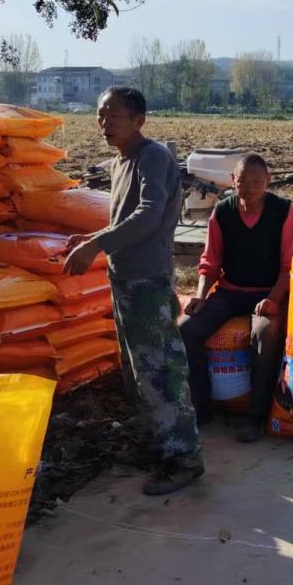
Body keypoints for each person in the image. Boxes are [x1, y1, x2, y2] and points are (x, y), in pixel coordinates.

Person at [63, 86, 204, 495]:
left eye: (114, 115)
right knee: (137, 370)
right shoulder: (120, 162)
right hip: (123, 278)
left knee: (161, 369)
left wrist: (96, 245)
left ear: (139, 120)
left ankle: (184, 457)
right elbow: (124, 219)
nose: (105, 124)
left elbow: (149, 215)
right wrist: (91, 238)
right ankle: (156, 445)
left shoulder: (153, 157)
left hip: (146, 281)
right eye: (100, 115)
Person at [179, 153, 293, 443]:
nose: (249, 186)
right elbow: (210, 262)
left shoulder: (284, 212)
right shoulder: (222, 211)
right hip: (231, 290)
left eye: (257, 181)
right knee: (186, 329)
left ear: (268, 181)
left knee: (264, 332)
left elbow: (290, 265)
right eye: (243, 181)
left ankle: (256, 416)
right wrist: (200, 296)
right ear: (232, 181)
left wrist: (273, 300)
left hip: (270, 292)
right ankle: (201, 405)